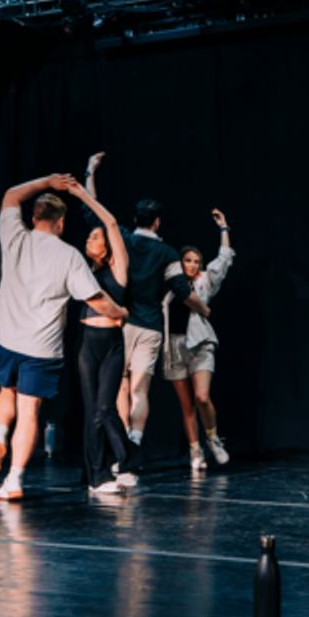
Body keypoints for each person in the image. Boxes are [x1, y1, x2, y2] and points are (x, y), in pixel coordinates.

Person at [0, 174, 128, 501]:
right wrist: (119, 312)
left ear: (34, 218)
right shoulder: (69, 256)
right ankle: (15, 479)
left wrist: (47, 181)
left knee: (6, 389)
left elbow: (10, 194)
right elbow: (96, 299)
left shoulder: (14, 234)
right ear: (61, 223)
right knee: (29, 409)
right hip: (40, 345)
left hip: (5, 332)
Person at [83, 153, 210, 463]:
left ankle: (122, 444)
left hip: (121, 323)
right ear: (157, 222)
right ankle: (135, 441)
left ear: (136, 219)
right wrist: (203, 308)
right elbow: (182, 291)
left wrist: (90, 172)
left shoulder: (122, 239)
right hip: (150, 326)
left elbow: (94, 213)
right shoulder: (167, 252)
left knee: (122, 386)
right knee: (141, 388)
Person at [163, 209, 235, 470]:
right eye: (188, 260)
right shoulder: (170, 284)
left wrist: (223, 229)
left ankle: (213, 438)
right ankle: (195, 451)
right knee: (187, 405)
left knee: (202, 397)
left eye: (196, 261)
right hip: (174, 346)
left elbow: (224, 259)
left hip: (201, 343)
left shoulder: (205, 281)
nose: (192, 265)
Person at [76, 188, 136, 496]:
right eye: (88, 237)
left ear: (109, 247)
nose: (89, 239)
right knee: (92, 412)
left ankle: (125, 461)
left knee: (104, 407)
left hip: (112, 343)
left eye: (94, 237)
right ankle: (95, 475)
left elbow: (111, 224)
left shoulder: (118, 268)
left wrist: (83, 192)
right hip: (88, 342)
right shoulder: (82, 271)